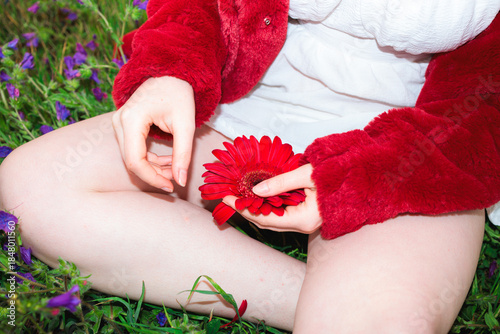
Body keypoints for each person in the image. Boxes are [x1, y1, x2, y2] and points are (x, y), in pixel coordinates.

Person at [1, 0, 500, 332]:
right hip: (239, 117)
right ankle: (316, 302)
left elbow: (484, 108)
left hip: (410, 165)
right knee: (33, 189)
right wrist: (171, 71)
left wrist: (351, 183)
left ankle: (361, 307)